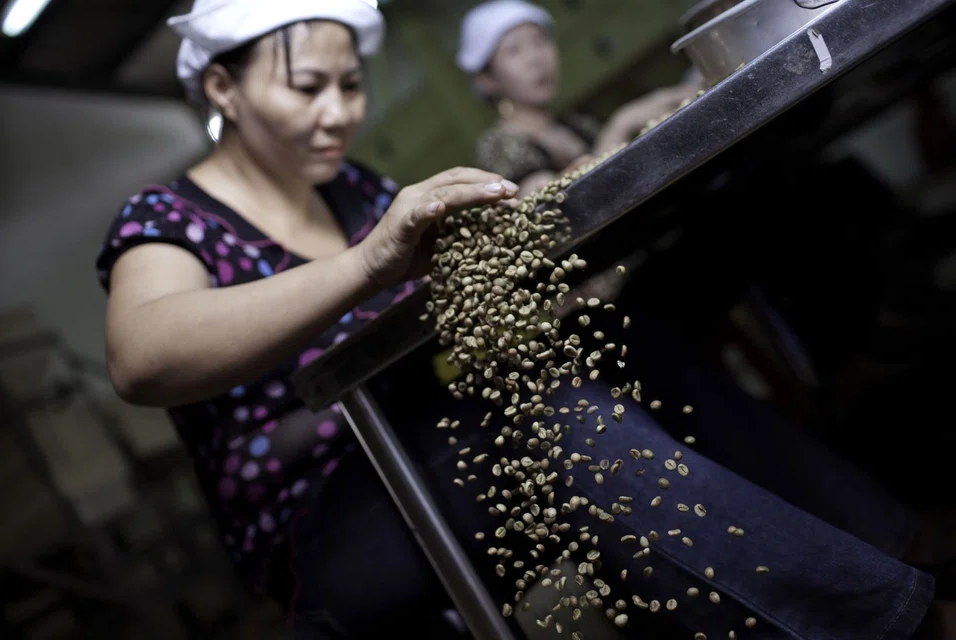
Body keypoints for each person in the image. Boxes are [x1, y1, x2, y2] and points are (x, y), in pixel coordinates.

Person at [95, 1, 942, 638]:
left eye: (350, 86)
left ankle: (897, 553)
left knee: (628, 345)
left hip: (439, 438)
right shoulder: (174, 218)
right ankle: (881, 626)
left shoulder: (350, 186)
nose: (337, 112)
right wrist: (364, 264)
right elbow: (143, 356)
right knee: (544, 422)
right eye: (306, 86)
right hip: (322, 526)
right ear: (221, 88)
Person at [457, 0, 701, 195]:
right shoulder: (498, 146)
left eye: (540, 41)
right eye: (514, 50)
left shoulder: (577, 124)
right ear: (487, 81)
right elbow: (550, 204)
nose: (535, 58)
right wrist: (621, 124)